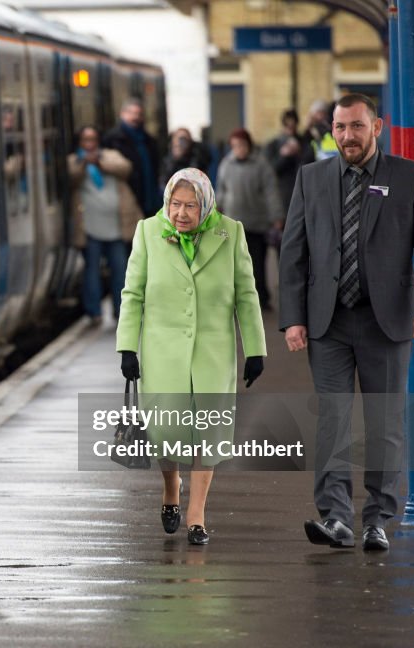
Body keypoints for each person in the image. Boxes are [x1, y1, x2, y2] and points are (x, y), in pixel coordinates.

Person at [279, 93, 414, 552]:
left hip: (387, 321)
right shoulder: (312, 177)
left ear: (376, 127)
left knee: (384, 424)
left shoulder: (407, 177)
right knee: (333, 422)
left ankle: (377, 519)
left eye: (356, 127)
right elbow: (293, 252)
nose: (347, 136)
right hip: (329, 321)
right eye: (340, 128)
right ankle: (336, 518)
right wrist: (293, 319)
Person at [116, 168, 266, 546]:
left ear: (206, 204)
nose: (180, 213)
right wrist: (127, 347)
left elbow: (246, 294)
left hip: (213, 352)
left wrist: (255, 349)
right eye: (174, 204)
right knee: (167, 433)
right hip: (161, 350)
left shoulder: (231, 233)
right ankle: (171, 488)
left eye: (190, 206)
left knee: (209, 433)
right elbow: (132, 294)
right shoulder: (148, 231)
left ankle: (196, 515)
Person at [67, 126, 141, 323]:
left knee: (120, 269)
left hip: (116, 226)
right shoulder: (74, 160)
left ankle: (121, 311)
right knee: (91, 270)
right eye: (85, 139)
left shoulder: (110, 155)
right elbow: (71, 178)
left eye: (93, 139)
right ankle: (94, 312)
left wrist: (99, 162)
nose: (89, 144)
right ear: (80, 142)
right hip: (89, 227)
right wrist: (84, 163)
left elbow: (125, 168)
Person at [216, 128, 283, 311]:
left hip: (256, 223)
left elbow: (271, 192)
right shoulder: (226, 164)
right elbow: (221, 190)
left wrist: (276, 216)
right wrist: (216, 209)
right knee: (235, 264)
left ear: (249, 145)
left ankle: (261, 297)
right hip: (233, 222)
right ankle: (237, 298)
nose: (239, 149)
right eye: (235, 146)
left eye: (242, 145)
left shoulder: (261, 165)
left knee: (257, 263)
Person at [103, 98, 163, 217]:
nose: (135, 117)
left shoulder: (149, 140)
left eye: (139, 114)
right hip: (126, 197)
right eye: (131, 113)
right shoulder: (112, 139)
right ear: (122, 114)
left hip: (150, 197)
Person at [264, 109, 312, 215]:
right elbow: (270, 171)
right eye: (287, 125)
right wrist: (283, 155)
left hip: (302, 193)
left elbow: (309, 168)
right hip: (281, 195)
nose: (290, 129)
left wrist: (299, 153)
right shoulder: (273, 145)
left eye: (293, 125)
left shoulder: (304, 143)